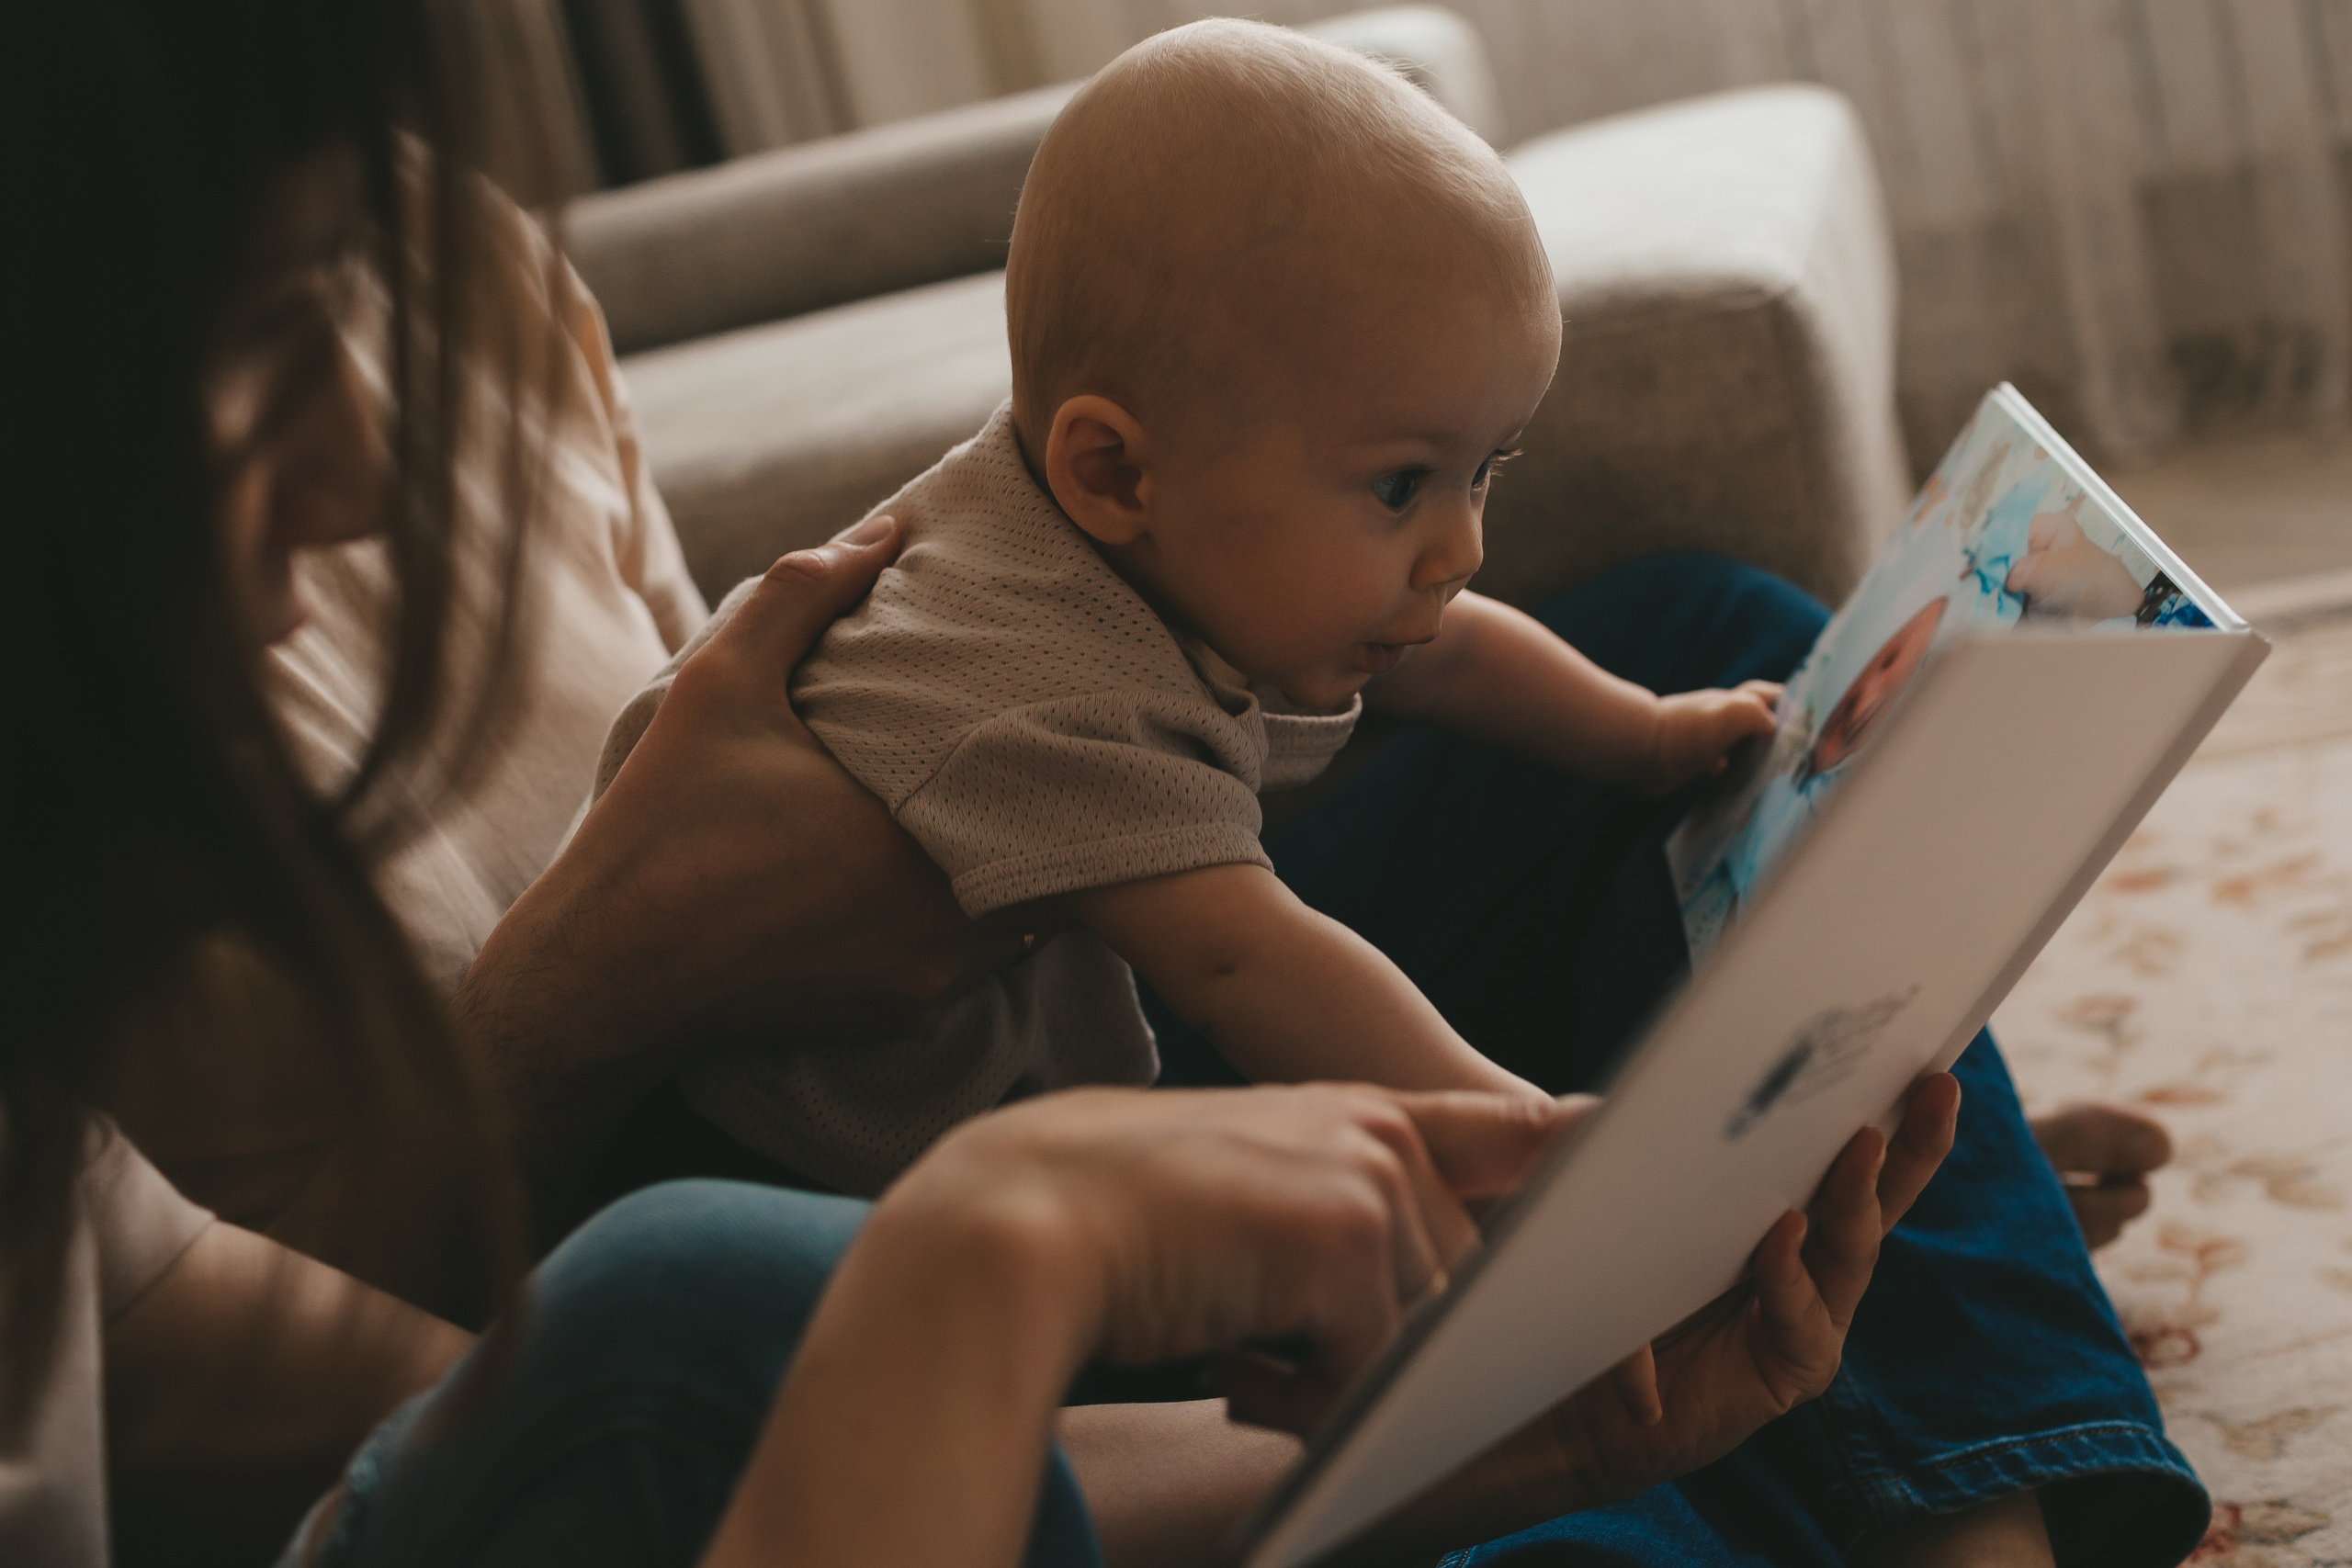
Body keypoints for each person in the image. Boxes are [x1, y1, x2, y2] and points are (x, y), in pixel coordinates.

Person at [2, 6, 2185, 1567]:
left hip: (1026, 994)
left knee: (1707, 663)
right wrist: (620, 962)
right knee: (718, 1282)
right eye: (256, 338)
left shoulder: (457, 268)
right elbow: (596, 1369)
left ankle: (1947, 1479)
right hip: (795, 1128)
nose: (358, 465)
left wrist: (1454, 1411)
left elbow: (723, 678)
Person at [581, 21, 1780, 1195]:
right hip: (814, 1190)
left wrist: (1653, 736)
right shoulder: (1038, 687)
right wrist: (1523, 1140)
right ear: (1112, 473)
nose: (1462, 546)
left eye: (1485, 471)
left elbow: (1445, 660)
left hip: (1037, 1009)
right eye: (1403, 484)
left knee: (1716, 624)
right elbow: (1243, 961)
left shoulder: (1164, 536)